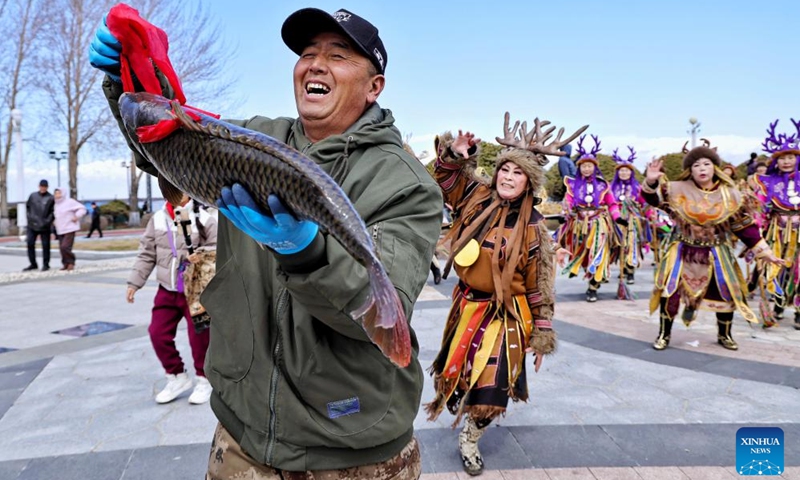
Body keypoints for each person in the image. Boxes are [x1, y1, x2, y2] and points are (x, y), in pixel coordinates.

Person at [91, 6, 442, 479]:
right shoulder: (258, 136)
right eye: (308, 53)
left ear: (374, 86)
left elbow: (382, 313)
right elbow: (174, 150)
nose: (315, 64)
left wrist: (309, 255)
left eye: (338, 55)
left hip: (351, 448)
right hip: (242, 436)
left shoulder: (405, 183)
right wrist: (127, 80)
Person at [425, 114, 579, 476]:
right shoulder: (477, 196)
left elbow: (539, 282)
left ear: (530, 182)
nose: (508, 177)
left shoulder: (535, 226)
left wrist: (542, 332)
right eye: (505, 170)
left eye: (518, 173)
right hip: (466, 308)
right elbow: (446, 180)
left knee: (493, 388)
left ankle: (471, 438)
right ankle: (460, 398)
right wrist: (457, 154)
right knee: (456, 377)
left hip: (508, 315)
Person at [643, 140, 785, 351]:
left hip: (716, 251)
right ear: (690, 170)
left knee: (726, 292)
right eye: (696, 165)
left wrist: (766, 253)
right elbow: (652, 199)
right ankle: (664, 334)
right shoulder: (676, 189)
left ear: (714, 167)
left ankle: (724, 334)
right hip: (682, 250)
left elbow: (745, 227)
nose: (702, 169)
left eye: (706, 164)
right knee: (669, 292)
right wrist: (651, 182)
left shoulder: (731, 195)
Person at [126, 194, 217, 405]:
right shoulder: (157, 218)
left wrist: (200, 254)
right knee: (157, 333)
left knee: (200, 336)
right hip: (167, 289)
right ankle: (176, 376)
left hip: (195, 289)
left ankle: (204, 380)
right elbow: (147, 253)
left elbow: (218, 247)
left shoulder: (204, 217)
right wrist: (134, 282)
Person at [556, 135, 623, 302]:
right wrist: (564, 215)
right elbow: (569, 202)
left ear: (594, 167)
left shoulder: (602, 185)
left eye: (589, 166)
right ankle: (591, 278)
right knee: (584, 256)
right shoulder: (572, 185)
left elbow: (612, 204)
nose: (587, 169)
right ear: (580, 168)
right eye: (584, 166)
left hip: (599, 224)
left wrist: (618, 217)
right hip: (578, 225)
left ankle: (593, 286)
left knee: (597, 254)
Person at [751, 119, 800, 329]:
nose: (787, 161)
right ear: (776, 162)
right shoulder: (767, 181)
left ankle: (798, 310)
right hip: (776, 230)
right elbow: (758, 206)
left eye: (790, 157)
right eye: (782, 158)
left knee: (798, 271)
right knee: (776, 269)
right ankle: (778, 305)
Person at [609, 146, 648, 287]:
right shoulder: (611, 187)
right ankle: (623, 268)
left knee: (631, 245)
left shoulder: (638, 188)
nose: (624, 173)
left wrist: (649, 216)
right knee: (618, 245)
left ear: (631, 172)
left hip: (632, 221)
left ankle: (630, 271)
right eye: (621, 170)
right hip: (617, 221)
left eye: (626, 170)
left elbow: (645, 204)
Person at [23, 179, 55, 272]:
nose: (43, 188)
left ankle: (46, 264)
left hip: (45, 225)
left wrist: (47, 221)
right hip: (32, 225)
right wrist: (30, 219)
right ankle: (33, 263)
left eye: (44, 186)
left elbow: (53, 212)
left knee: (45, 245)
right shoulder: (33, 196)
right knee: (30, 243)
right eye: (41, 186)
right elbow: (28, 208)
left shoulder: (51, 198)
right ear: (39, 186)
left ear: (47, 187)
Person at [52, 189, 87, 271]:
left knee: (65, 246)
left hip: (70, 227)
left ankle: (71, 262)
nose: (57, 195)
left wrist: (76, 216)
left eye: (59, 193)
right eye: (56, 193)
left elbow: (82, 209)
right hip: (60, 228)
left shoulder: (70, 202)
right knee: (61, 248)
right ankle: (65, 263)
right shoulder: (55, 204)